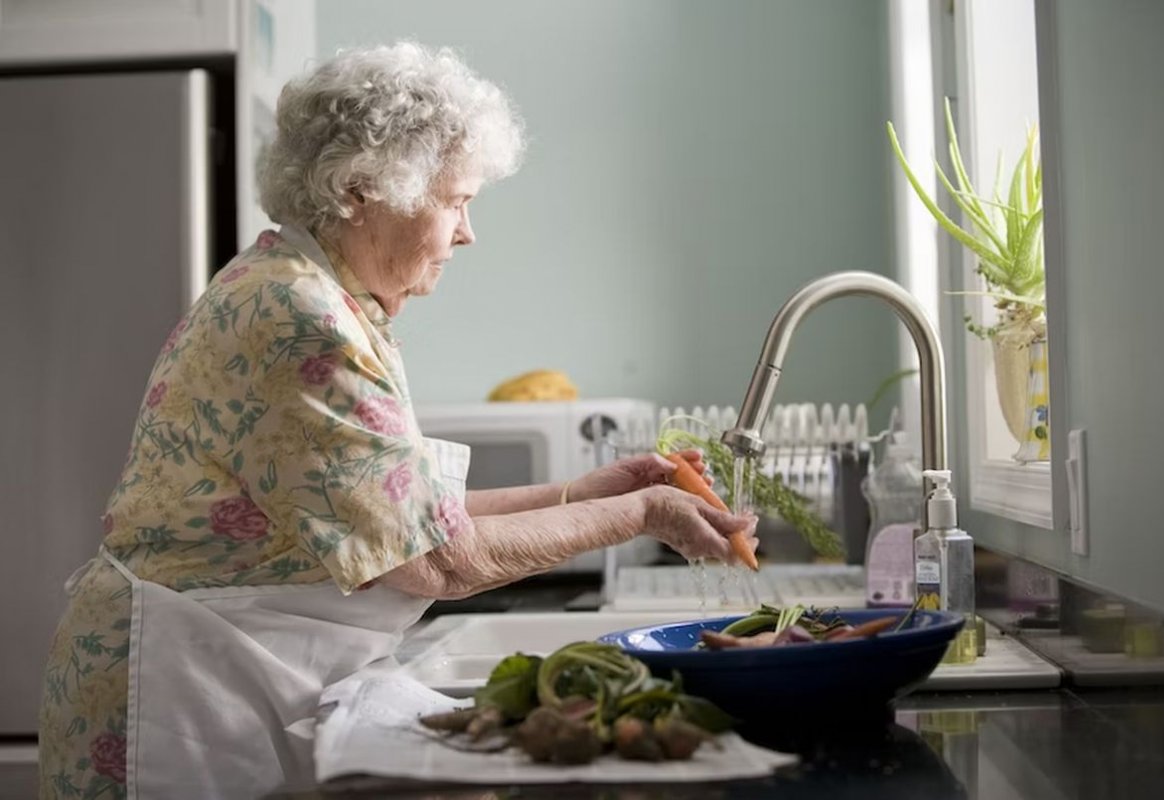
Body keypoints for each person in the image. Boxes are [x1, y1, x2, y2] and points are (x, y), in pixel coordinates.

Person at [38, 41, 757, 799]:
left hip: (225, 668)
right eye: (455, 201)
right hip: (181, 695)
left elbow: (398, 518)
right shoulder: (297, 319)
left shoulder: (314, 296)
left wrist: (582, 495)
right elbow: (436, 561)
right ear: (362, 189)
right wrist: (640, 511)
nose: (468, 232)